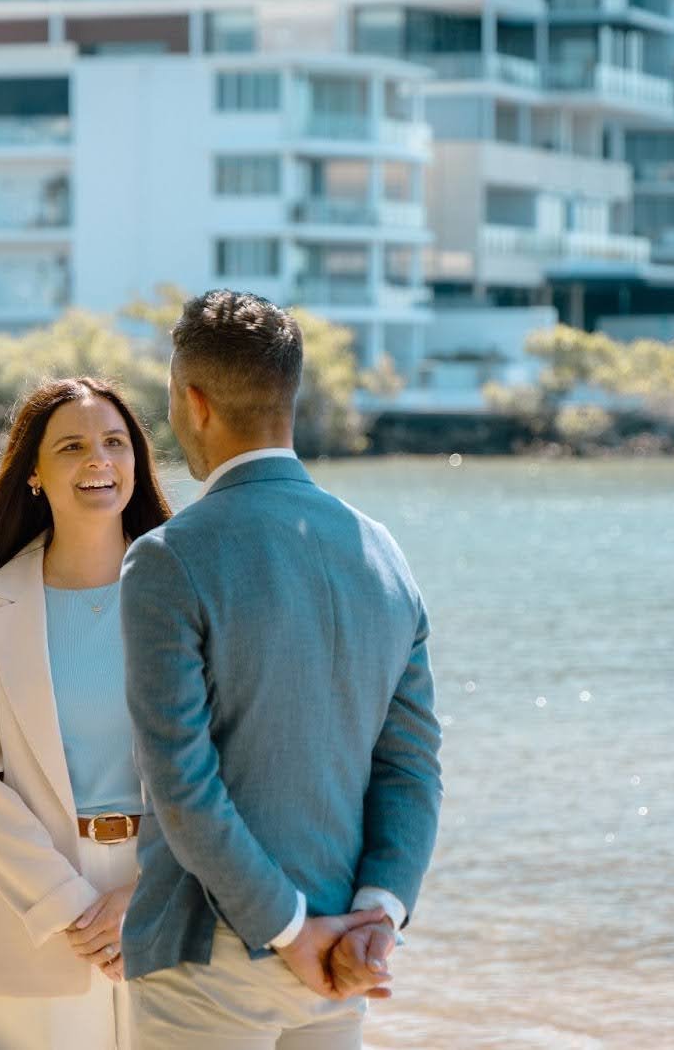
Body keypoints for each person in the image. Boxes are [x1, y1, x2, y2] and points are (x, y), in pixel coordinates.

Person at [119, 290, 444, 1049]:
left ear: (195, 402)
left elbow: (180, 785)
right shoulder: (382, 553)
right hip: (340, 957)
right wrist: (377, 915)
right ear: (288, 396)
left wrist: (289, 929)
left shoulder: (167, 558)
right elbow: (412, 770)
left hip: (208, 957)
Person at [0, 377, 173, 1050]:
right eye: (72, 446)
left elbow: (225, 757)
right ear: (35, 474)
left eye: (114, 442)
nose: (98, 459)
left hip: (169, 896)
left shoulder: (186, 589)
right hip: (38, 911)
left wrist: (147, 888)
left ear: (137, 461)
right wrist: (73, 909)